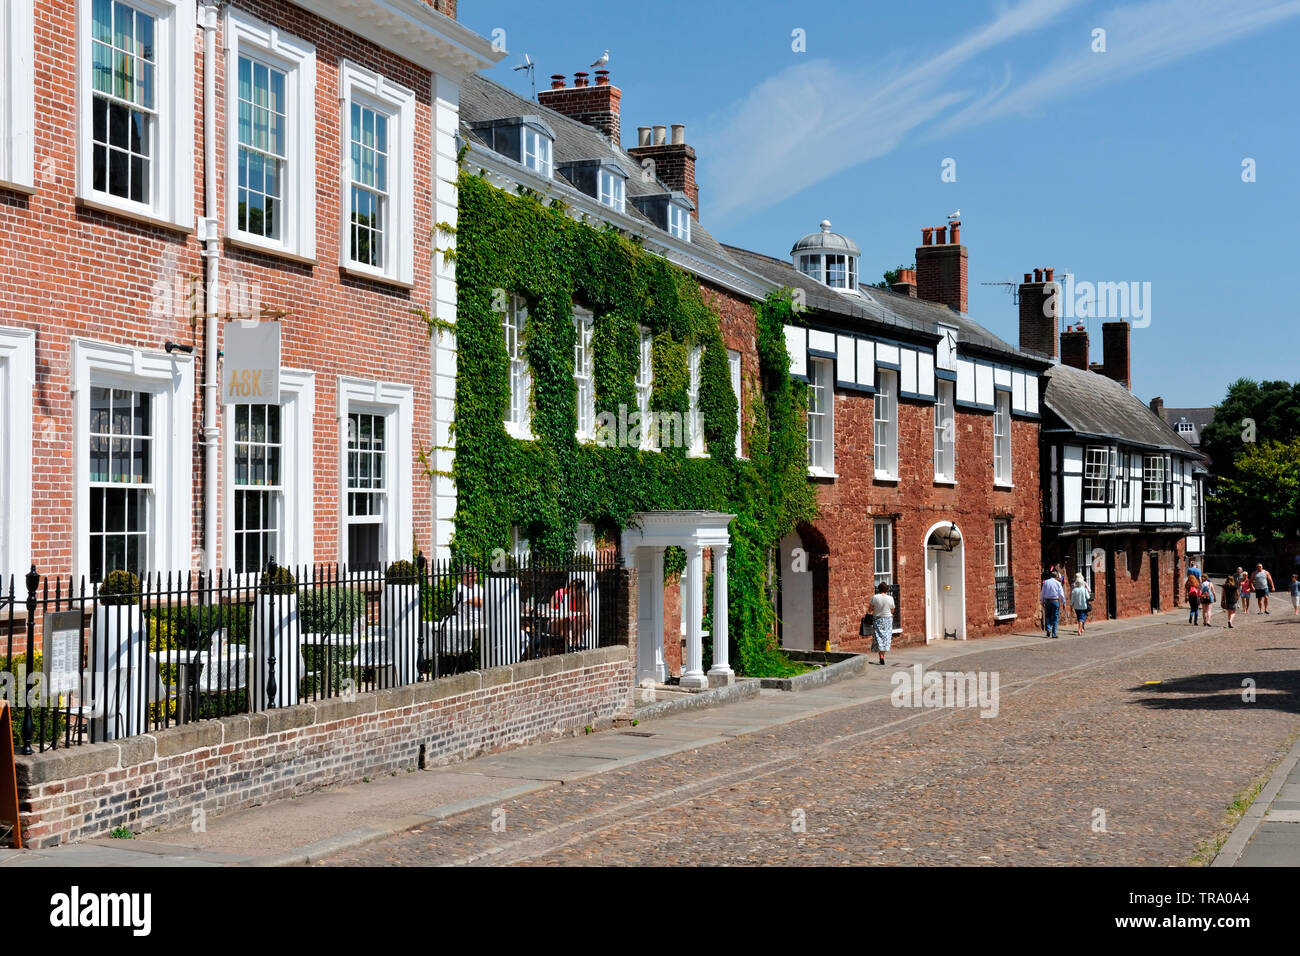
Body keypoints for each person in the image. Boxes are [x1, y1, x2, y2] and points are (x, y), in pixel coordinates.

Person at [869, 581, 895, 665]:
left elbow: (870, 609)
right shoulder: (890, 598)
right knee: (886, 638)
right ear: (887, 589)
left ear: (878, 589)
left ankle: (881, 656)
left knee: (878, 637)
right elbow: (892, 610)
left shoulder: (875, 597)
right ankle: (882, 655)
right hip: (887, 620)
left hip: (877, 619)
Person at [1041, 570, 1065, 639]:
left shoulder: (1045, 582)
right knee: (1055, 617)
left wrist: (1042, 601)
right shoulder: (1058, 583)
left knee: (1047, 616)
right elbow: (1061, 594)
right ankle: (1054, 633)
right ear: (1056, 576)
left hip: (1047, 601)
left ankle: (1048, 629)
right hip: (1055, 601)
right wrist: (1064, 602)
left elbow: (1042, 592)